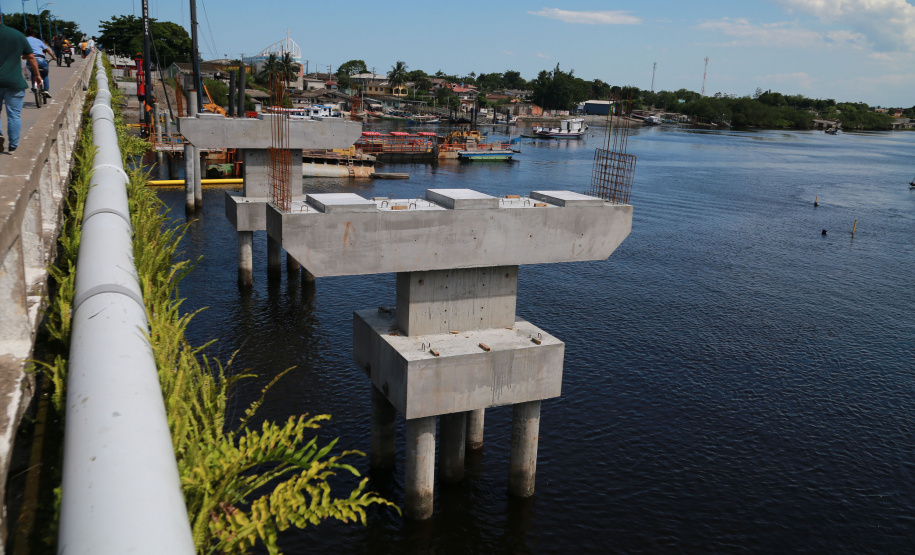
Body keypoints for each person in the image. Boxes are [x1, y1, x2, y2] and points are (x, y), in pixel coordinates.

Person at [0, 23, 43, 153]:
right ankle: (13, 146)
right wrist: (37, 75)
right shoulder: (17, 35)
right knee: (14, 115)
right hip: (14, 81)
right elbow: (30, 56)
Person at [25, 29, 55, 98]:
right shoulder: (38, 40)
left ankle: (34, 87)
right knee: (45, 75)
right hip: (41, 60)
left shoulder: (24, 40)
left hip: (30, 61)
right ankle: (46, 90)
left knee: (33, 73)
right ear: (33, 35)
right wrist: (53, 57)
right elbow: (47, 49)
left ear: (26, 34)